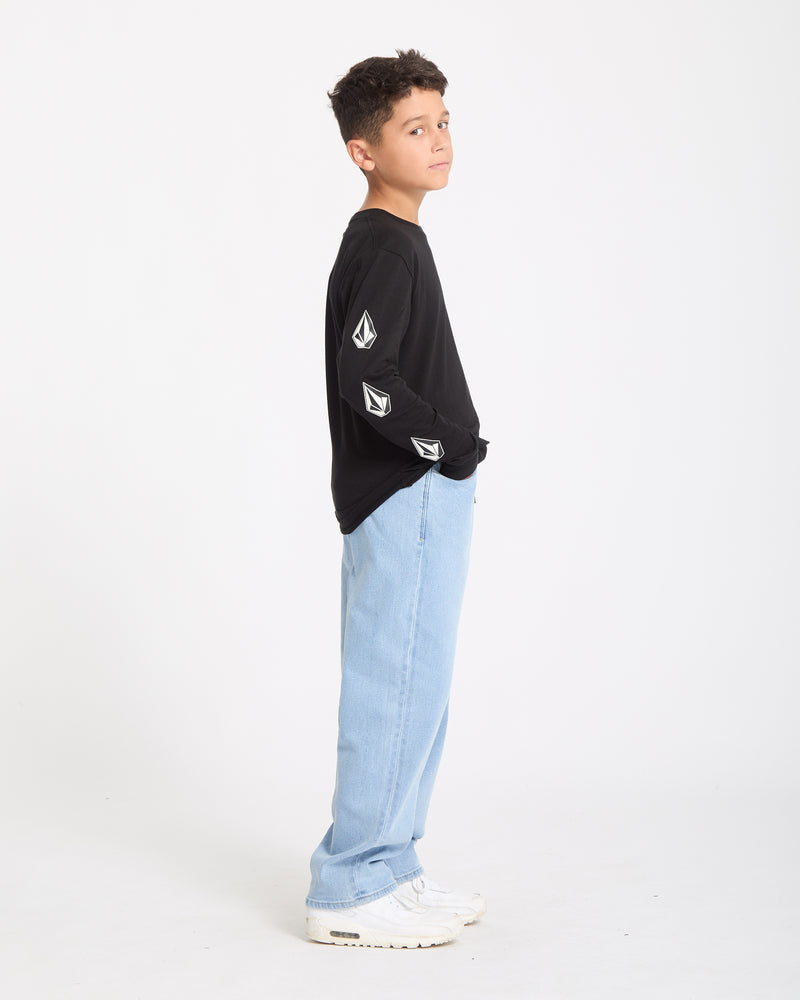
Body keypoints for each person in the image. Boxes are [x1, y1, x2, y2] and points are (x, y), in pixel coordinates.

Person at [305, 49, 489, 949]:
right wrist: (448, 447)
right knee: (395, 683)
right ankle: (348, 887)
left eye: (443, 121)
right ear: (364, 151)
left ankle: (391, 868)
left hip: (416, 494)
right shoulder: (381, 242)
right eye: (416, 129)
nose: (440, 139)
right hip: (405, 493)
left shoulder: (400, 238)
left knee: (419, 689)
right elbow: (364, 377)